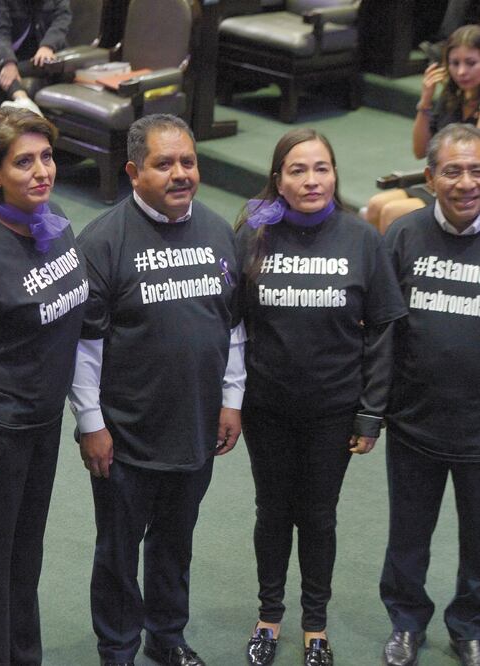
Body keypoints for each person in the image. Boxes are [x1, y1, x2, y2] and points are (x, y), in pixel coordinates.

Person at [69, 113, 245, 666]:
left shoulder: (219, 232)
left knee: (175, 542)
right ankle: (118, 647)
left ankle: (167, 637)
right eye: (163, 163)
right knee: (119, 551)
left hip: (195, 424)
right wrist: (90, 424)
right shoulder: (101, 241)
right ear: (133, 171)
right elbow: (83, 345)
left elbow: (233, 326)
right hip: (125, 435)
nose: (179, 174)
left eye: (187, 161)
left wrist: (232, 401)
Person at [235, 128, 407, 666]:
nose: (311, 180)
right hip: (265, 408)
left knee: (318, 515)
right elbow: (233, 323)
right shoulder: (253, 236)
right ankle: (269, 616)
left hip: (334, 411)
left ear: (334, 173)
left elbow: (382, 328)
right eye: (297, 170)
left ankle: (315, 625)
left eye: (321, 169)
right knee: (271, 512)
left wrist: (371, 412)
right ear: (278, 180)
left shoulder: (361, 239)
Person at [0, 106, 87, 664]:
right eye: (23, 162)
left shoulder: (55, 226)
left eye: (46, 156)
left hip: (41, 424)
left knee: (24, 562)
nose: (41, 171)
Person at [380, 123, 480, 666]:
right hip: (415, 423)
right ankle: (406, 623)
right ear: (430, 177)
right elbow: (383, 330)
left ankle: (469, 625)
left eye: (477, 170)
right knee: (408, 537)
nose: (466, 183)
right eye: (453, 171)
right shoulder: (404, 236)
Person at [366, 24, 480, 233]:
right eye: (454, 63)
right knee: (375, 206)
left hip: (469, 190)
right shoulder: (451, 98)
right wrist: (425, 101)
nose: (461, 71)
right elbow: (421, 151)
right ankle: (375, 266)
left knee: (393, 212)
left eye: (471, 63)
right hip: (441, 184)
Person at [0, 0, 71, 181]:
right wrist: (8, 62)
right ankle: (21, 97)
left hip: (47, 61)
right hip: (18, 57)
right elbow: (0, 32)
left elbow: (61, 22)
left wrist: (48, 45)